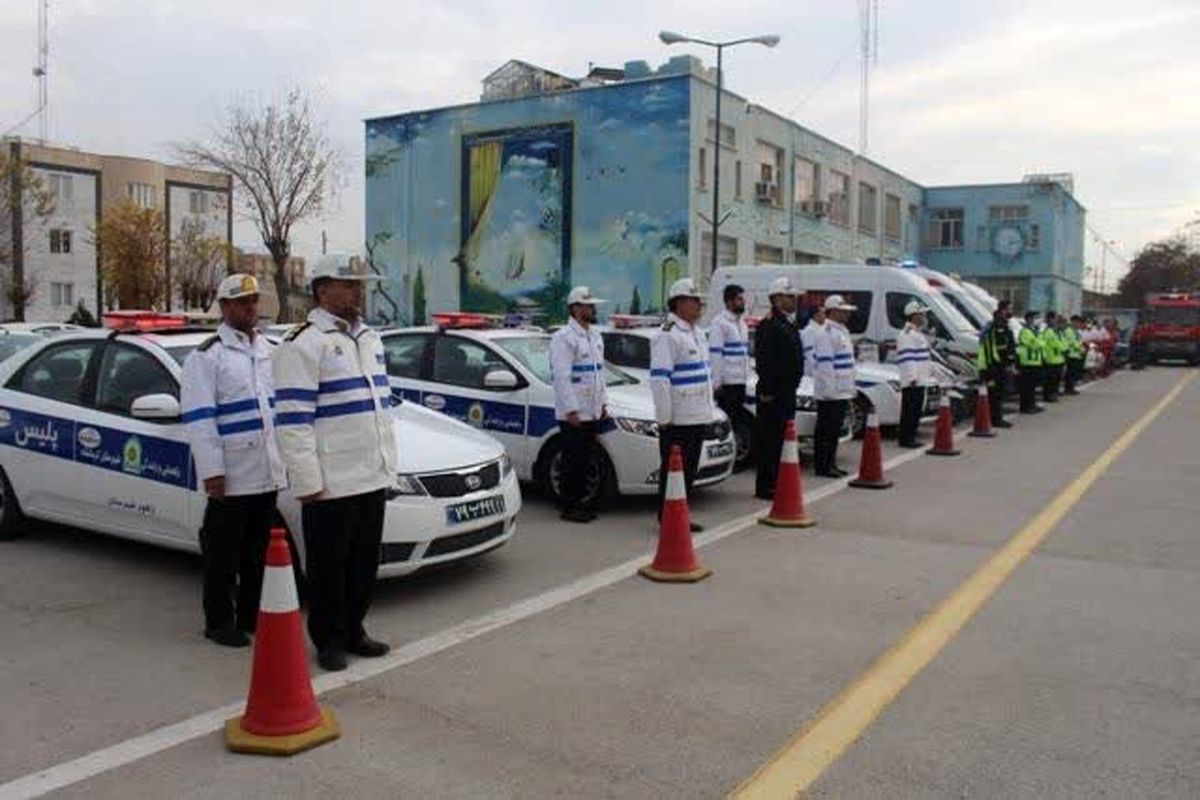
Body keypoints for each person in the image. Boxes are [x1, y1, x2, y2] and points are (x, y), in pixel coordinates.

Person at [273, 254, 397, 672]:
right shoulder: (303, 343)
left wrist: (388, 465)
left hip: (371, 474)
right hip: (331, 481)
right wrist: (307, 482)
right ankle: (328, 640)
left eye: (361, 284)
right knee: (328, 567)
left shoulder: (369, 339)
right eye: (349, 284)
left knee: (363, 563)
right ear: (323, 289)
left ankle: (356, 630)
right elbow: (293, 421)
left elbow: (379, 408)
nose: (358, 291)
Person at [181, 274, 287, 648]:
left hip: (266, 470)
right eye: (242, 302)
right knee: (222, 553)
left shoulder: (269, 350)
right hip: (231, 473)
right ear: (224, 307)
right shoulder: (207, 356)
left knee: (256, 552)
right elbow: (199, 419)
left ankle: (249, 615)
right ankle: (219, 621)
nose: (251, 309)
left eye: (254, 301)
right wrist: (212, 471)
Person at [650, 278, 716, 532]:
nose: (699, 306)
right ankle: (667, 518)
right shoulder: (668, 335)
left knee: (688, 471)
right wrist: (664, 418)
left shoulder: (697, 334)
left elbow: (705, 376)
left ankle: (680, 515)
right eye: (695, 301)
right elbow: (660, 379)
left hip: (697, 415)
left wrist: (709, 410)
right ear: (679, 303)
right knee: (673, 473)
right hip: (677, 419)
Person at [549, 286, 609, 524]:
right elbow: (561, 377)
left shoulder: (594, 336)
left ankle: (582, 502)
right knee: (572, 461)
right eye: (588, 305)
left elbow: (599, 374)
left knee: (585, 460)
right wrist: (570, 409)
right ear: (576, 309)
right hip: (574, 413)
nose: (593, 309)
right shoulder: (564, 338)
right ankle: (569, 506)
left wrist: (603, 403)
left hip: (592, 409)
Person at [752, 277, 803, 499]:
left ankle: (776, 480)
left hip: (787, 391)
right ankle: (766, 485)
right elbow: (765, 361)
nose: (794, 301)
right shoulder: (769, 324)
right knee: (770, 441)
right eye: (790, 297)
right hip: (773, 394)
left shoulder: (787, 323)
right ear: (777, 298)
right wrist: (769, 393)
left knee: (782, 439)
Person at [812, 294, 857, 477]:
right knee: (826, 432)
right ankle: (823, 466)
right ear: (833, 312)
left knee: (834, 432)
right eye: (842, 311)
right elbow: (825, 365)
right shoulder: (826, 333)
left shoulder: (841, 331)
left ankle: (831, 463)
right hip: (831, 393)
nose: (846, 315)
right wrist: (830, 390)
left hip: (842, 390)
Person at [708, 283, 751, 454]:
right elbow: (715, 355)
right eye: (739, 299)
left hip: (740, 381)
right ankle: (723, 454)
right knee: (726, 422)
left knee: (737, 422)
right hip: (727, 384)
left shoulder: (742, 324)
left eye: (742, 299)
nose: (743, 302)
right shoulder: (720, 323)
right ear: (729, 301)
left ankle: (731, 455)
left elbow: (744, 355)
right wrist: (716, 383)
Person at [896, 300, 933, 448]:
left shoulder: (916, 333)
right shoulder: (907, 334)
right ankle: (906, 438)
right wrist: (912, 377)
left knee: (916, 410)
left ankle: (911, 436)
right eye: (921, 314)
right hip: (913, 380)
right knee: (910, 410)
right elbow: (907, 358)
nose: (924, 317)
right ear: (913, 316)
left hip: (920, 378)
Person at [976, 303, 1015, 429]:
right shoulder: (991, 331)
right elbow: (990, 351)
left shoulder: (1005, 328)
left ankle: (996, 417)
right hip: (991, 367)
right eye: (1008, 311)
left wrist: (1010, 362)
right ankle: (995, 419)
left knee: (999, 393)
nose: (1009, 314)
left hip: (999, 366)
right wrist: (987, 371)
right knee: (994, 394)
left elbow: (1009, 346)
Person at [1016, 310, 1044, 414]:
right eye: (1036, 318)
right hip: (1026, 362)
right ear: (1029, 319)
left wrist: (1039, 340)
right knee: (1026, 386)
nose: (1038, 320)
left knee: (1032, 386)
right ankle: (1025, 407)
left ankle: (1032, 404)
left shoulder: (1034, 331)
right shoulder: (1025, 331)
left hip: (1035, 361)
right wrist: (1040, 341)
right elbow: (1037, 344)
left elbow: (1040, 343)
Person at [1040, 311, 1065, 403]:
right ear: (1050, 319)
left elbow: (1062, 343)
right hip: (1051, 359)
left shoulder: (1056, 331)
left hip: (1058, 358)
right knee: (1050, 379)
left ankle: (1054, 393)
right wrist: (1044, 357)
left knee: (1057, 378)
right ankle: (1048, 395)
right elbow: (1044, 345)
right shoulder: (1048, 331)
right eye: (1055, 318)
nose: (1056, 320)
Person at [800, 301, 826, 377]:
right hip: (812, 374)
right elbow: (810, 354)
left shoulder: (820, 330)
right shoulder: (809, 331)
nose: (825, 316)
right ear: (816, 316)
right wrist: (819, 372)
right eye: (823, 313)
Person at [1061, 315, 1085, 395]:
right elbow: (1071, 342)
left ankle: (1071, 387)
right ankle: (1068, 389)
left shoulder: (1075, 331)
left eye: (1079, 322)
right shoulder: (1069, 331)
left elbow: (1079, 341)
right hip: (1071, 354)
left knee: (1073, 372)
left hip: (1076, 354)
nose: (1079, 324)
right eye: (1077, 322)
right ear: (1073, 322)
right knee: (1070, 373)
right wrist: (1079, 347)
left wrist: (1081, 347)